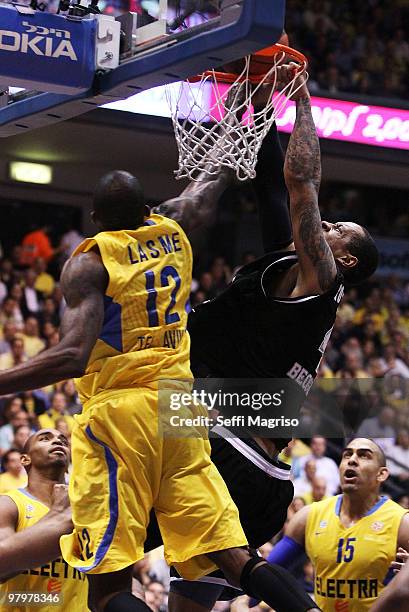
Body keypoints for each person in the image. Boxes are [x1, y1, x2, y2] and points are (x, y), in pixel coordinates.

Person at [0, 103, 318, 611]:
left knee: (107, 582)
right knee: (236, 556)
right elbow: (211, 177)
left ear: (97, 219)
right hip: (180, 411)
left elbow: (70, 357)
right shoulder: (173, 226)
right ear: (146, 207)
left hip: (121, 417)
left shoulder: (89, 262)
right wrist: (249, 110)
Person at [146, 62, 378, 610]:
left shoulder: (321, 278)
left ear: (344, 256)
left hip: (230, 445)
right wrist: (263, 88)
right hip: (251, 458)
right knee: (189, 600)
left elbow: (302, 185)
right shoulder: (293, 264)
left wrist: (299, 100)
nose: (328, 224)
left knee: (99, 543)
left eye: (340, 229)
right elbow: (277, 188)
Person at [257, 438, 409, 611]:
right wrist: (244, 602)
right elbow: (267, 573)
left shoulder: (402, 523)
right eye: (347, 455)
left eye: (364, 455)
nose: (352, 459)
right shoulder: (308, 517)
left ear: (381, 474)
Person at [0, 429, 87, 611]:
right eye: (45, 438)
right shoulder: (9, 504)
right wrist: (56, 516)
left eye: (63, 441)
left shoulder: (86, 509)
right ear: (25, 459)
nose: (57, 441)